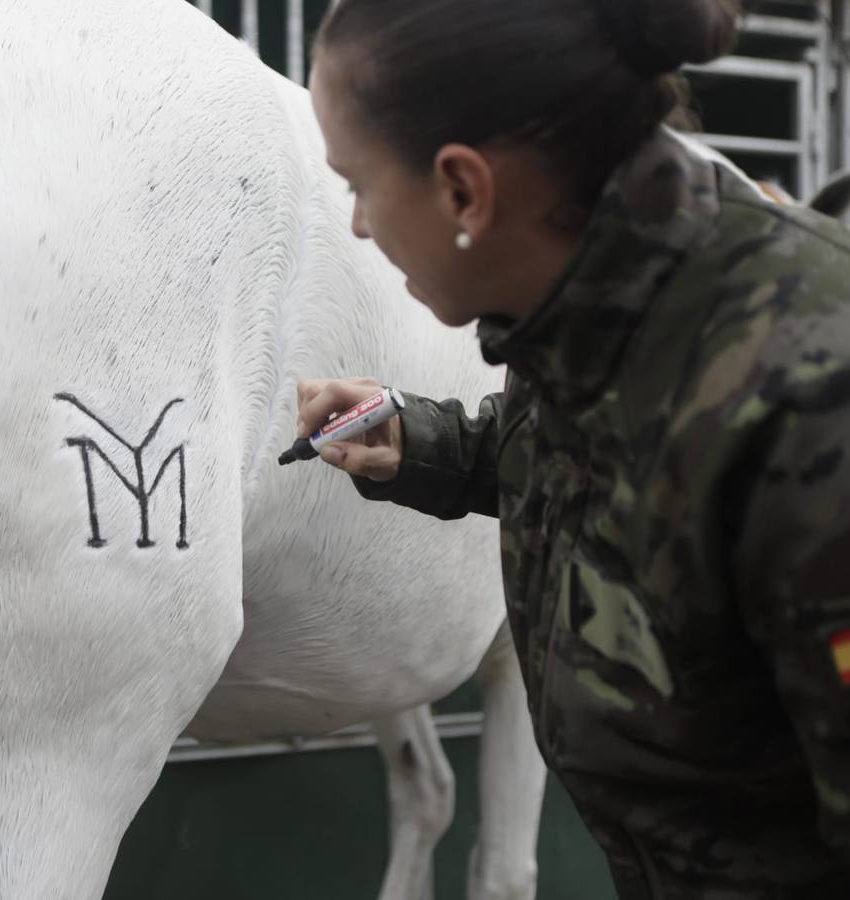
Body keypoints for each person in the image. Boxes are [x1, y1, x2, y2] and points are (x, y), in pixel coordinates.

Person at [295, 1, 850, 897]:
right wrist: (418, 440)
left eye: (357, 184)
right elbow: (602, 455)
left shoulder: (812, 392)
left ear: (464, 190)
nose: (358, 224)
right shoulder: (587, 303)